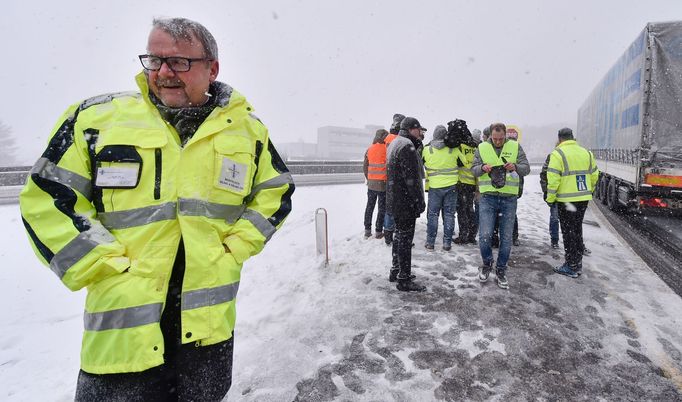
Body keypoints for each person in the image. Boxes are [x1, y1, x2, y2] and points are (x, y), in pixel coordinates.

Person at [19, 18, 294, 401]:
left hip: (207, 333)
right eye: (154, 60)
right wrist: (104, 268)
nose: (163, 73)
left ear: (212, 69)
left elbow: (275, 192)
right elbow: (46, 196)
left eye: (179, 62)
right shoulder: (97, 119)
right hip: (122, 334)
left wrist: (233, 249)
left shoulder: (246, 130)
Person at [472, 123, 530, 289]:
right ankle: (487, 264)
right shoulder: (482, 148)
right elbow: (473, 170)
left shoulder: (515, 146)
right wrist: (482, 168)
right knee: (484, 235)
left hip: (508, 199)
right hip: (488, 198)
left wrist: (516, 167)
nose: (498, 142)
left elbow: (525, 168)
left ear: (505, 135)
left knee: (506, 237)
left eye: (501, 139)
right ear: (490, 135)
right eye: (495, 139)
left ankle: (501, 269)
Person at [546, 128, 599, 278]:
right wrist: (589, 190)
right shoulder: (586, 153)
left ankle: (571, 265)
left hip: (567, 199)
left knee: (568, 232)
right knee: (576, 229)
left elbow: (553, 179)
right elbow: (594, 175)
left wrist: (550, 199)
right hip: (583, 199)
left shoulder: (558, 153)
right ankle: (577, 263)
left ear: (560, 138)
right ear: (572, 138)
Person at [386, 117, 427, 292]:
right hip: (405, 202)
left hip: (395, 199)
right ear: (412, 129)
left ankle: (396, 270)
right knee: (405, 240)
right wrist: (419, 201)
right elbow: (412, 180)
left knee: (399, 237)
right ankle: (404, 278)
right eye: (419, 130)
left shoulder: (395, 143)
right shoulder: (407, 147)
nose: (421, 133)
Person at [422, 125, 461, 251]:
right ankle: (447, 244)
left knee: (433, 215)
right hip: (451, 187)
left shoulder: (427, 150)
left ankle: (430, 242)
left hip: (434, 187)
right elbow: (464, 162)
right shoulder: (454, 150)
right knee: (449, 215)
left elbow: (420, 163)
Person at [451, 122, 480, 245]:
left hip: (462, 182)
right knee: (470, 209)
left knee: (462, 210)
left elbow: (457, 162)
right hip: (472, 182)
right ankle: (472, 236)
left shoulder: (460, 146)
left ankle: (463, 236)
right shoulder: (476, 147)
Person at [382, 113, 405, 246]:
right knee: (395, 206)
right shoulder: (398, 139)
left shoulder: (386, 138)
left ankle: (388, 233)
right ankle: (395, 232)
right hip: (396, 177)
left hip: (386, 176)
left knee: (388, 206)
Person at [363, 129, 389, 238]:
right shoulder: (387, 149)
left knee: (370, 206)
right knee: (381, 208)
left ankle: (367, 230)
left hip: (371, 184)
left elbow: (365, 167)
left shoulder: (369, 149)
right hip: (383, 184)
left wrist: (369, 178)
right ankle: (378, 231)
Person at [540, 140, 561, 249]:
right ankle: (554, 240)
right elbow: (544, 175)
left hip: (568, 194)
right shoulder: (552, 157)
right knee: (555, 218)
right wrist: (546, 191)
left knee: (571, 222)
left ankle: (574, 242)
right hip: (556, 194)